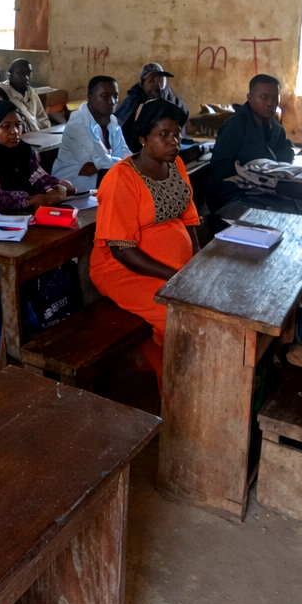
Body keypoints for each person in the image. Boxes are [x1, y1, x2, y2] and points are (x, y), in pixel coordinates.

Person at [90, 99, 202, 391]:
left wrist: (197, 263)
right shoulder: (121, 178)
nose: (173, 141)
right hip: (122, 269)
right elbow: (121, 250)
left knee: (209, 299)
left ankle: (167, 361)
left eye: (176, 134)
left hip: (172, 268)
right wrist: (175, 277)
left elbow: (189, 219)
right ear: (142, 139)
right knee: (176, 313)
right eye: (163, 135)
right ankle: (176, 388)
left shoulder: (175, 164)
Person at [208, 74, 295, 211]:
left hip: (265, 191)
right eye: (264, 97)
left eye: (274, 98)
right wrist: (250, 174)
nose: (270, 103)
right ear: (250, 98)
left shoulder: (275, 127)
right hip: (233, 196)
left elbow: (286, 151)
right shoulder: (236, 125)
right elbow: (219, 168)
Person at [0, 101, 70, 212]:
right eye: (6, 126)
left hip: (23, 215)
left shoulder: (23, 150)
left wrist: (58, 184)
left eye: (18, 125)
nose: (15, 131)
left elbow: (37, 178)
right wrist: (28, 201)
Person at [52, 75, 131, 192]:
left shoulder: (112, 121)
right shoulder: (77, 124)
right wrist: (127, 163)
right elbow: (93, 164)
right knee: (124, 181)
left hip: (96, 177)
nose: (112, 101)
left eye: (115, 96)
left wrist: (129, 163)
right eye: (105, 96)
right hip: (72, 184)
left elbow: (124, 152)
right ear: (90, 97)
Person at [114, 62, 189, 153]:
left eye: (161, 80)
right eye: (151, 81)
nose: (157, 85)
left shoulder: (174, 102)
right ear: (142, 84)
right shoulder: (133, 103)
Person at [0, 58, 51, 132]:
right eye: (20, 73)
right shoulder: (3, 92)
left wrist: (44, 132)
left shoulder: (31, 92)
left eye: (29, 73)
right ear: (9, 75)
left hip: (38, 135)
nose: (26, 77)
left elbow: (42, 117)